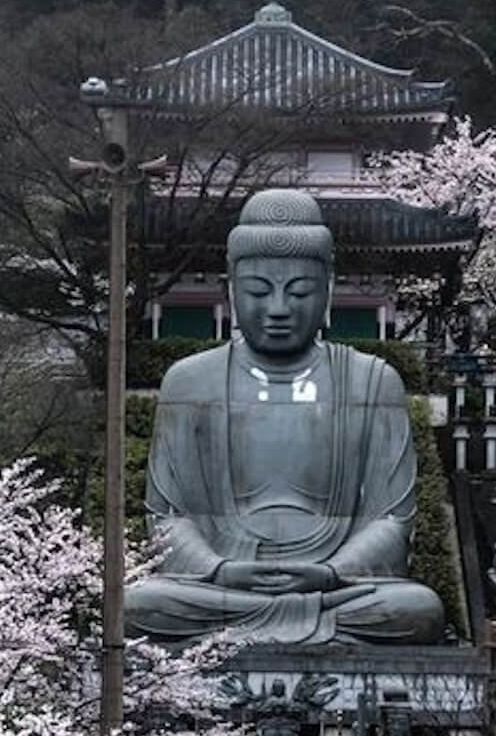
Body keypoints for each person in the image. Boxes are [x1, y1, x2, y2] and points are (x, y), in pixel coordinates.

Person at [124, 190, 445, 647]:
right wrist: (220, 570)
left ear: (328, 289)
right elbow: (168, 516)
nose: (277, 308)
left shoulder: (373, 381)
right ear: (231, 289)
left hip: (335, 589)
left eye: (299, 291)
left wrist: (332, 572)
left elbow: (393, 519)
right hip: (220, 589)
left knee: (417, 611)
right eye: (258, 290)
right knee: (138, 605)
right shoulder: (189, 381)